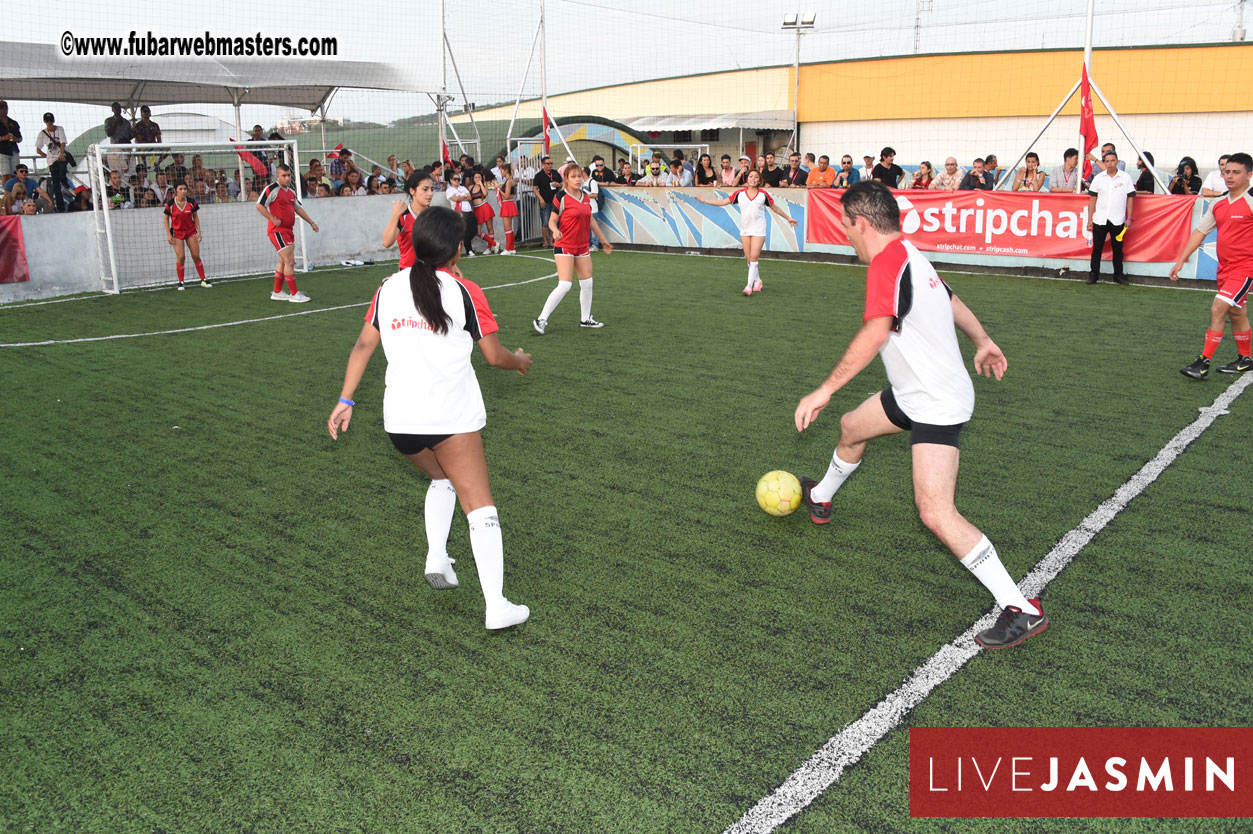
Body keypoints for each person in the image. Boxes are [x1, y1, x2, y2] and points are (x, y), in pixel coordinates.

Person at [793, 180, 1045, 650]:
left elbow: (875, 331)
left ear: (862, 223)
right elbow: (949, 300)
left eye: (847, 226)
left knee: (935, 512)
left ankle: (1021, 608)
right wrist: (984, 340)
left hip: (936, 403)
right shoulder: (910, 253)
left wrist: (824, 388)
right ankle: (822, 497)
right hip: (913, 394)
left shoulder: (888, 264)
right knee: (851, 427)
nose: (846, 234)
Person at [328, 207, 533, 630]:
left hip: (399, 423)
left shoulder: (387, 287)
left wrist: (345, 400)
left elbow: (364, 345)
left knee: (442, 479)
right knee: (481, 508)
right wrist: (521, 362)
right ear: (458, 247)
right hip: (449, 417)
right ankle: (497, 607)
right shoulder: (465, 290)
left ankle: (438, 556)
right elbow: (494, 357)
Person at [1172, 152, 1253, 378]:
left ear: (1249, 175)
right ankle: (1246, 359)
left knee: (1218, 308)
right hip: (1224, 269)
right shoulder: (1218, 203)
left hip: (1245, 268)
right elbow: (1200, 232)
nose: (1229, 176)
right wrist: (1181, 260)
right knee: (1237, 313)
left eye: (1236, 172)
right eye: (1226, 171)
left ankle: (1203, 363)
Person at [532, 164, 614, 334]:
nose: (578, 180)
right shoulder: (561, 197)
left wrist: (603, 240)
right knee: (565, 284)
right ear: (566, 179)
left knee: (587, 283)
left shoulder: (585, 196)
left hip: (582, 246)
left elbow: (590, 220)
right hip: (565, 246)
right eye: (574, 177)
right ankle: (541, 319)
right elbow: (551, 221)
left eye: (579, 176)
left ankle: (585, 319)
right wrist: (555, 231)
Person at [694, 169, 797, 296]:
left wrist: (788, 218)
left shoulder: (763, 195)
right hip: (745, 230)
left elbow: (775, 207)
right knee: (749, 260)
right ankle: (758, 281)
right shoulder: (739, 194)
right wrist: (705, 201)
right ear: (747, 179)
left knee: (754, 258)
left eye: (756, 177)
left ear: (759, 180)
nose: (753, 179)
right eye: (751, 177)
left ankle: (749, 286)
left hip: (759, 230)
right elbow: (723, 202)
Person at [256, 164, 319, 303]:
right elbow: (259, 205)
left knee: (283, 261)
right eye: (284, 176)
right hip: (277, 231)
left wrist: (311, 222)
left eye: (289, 175)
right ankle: (294, 294)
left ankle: (277, 292)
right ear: (277, 176)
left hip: (288, 230)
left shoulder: (291, 192)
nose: (287, 178)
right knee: (290, 261)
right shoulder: (271, 189)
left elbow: (298, 208)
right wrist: (272, 218)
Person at [1086, 150, 1136, 285]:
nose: (1109, 164)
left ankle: (1118, 275)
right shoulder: (1098, 178)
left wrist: (1129, 218)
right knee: (1097, 249)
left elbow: (1130, 198)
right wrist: (1090, 219)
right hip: (1100, 219)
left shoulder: (1125, 178)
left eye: (1112, 160)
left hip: (1118, 219)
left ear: (1117, 161)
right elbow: (1092, 200)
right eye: (1106, 161)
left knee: (1118, 249)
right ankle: (1093, 274)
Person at [383, 171, 435, 270]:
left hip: (431, 271)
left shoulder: (434, 215)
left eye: (432, 189)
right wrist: (395, 215)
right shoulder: (403, 216)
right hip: (407, 273)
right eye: (425, 189)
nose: (430, 193)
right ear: (412, 191)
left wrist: (453, 266)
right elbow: (386, 242)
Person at [164, 182, 210, 290]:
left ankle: (203, 279)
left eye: (185, 189)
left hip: (190, 231)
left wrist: (198, 231)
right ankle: (181, 282)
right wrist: (168, 234)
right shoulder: (170, 204)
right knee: (181, 257)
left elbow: (196, 217)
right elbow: (166, 219)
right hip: (177, 232)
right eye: (181, 189)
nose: (183, 191)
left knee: (196, 255)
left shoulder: (191, 202)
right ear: (176, 191)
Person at [34, 112, 69, 213]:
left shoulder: (59, 129)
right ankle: (60, 206)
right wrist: (46, 156)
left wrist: (61, 153)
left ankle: (64, 180)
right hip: (51, 161)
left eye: (51, 121)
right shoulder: (42, 133)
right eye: (48, 121)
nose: (50, 123)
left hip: (60, 157)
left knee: (62, 174)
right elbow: (38, 149)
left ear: (53, 121)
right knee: (56, 185)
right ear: (45, 122)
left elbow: (63, 142)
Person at [445, 171, 475, 257]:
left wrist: (462, 197)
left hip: (469, 211)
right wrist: (464, 196)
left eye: (458, 179)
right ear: (451, 180)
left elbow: (469, 197)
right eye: (455, 179)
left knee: (473, 230)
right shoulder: (449, 190)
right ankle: (469, 249)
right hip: (459, 212)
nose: (457, 181)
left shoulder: (463, 188)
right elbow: (456, 199)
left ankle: (464, 246)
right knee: (464, 231)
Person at [469, 170, 499, 254]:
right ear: (473, 178)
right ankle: (495, 243)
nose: (477, 179)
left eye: (479, 177)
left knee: (490, 228)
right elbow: (470, 199)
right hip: (476, 209)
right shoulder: (470, 187)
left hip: (484, 207)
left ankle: (489, 249)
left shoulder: (484, 186)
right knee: (477, 231)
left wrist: (481, 184)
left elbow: (485, 193)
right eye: (476, 177)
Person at [532, 156, 558, 247]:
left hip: (555, 202)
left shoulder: (555, 173)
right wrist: (541, 199)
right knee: (545, 222)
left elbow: (562, 183)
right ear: (543, 165)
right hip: (545, 202)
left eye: (551, 163)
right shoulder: (539, 175)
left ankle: (551, 240)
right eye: (548, 163)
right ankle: (545, 241)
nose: (550, 165)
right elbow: (535, 188)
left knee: (553, 222)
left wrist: (558, 184)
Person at [104, 101, 133, 174]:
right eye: (115, 108)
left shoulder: (126, 122)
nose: (117, 110)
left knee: (128, 170)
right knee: (118, 171)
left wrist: (134, 133)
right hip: (116, 150)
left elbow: (130, 136)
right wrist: (116, 122)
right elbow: (108, 133)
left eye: (119, 108)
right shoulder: (109, 121)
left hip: (127, 148)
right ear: (112, 110)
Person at [496, 163, 519, 255]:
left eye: (501, 171)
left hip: (507, 204)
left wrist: (498, 189)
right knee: (509, 228)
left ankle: (507, 249)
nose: (501, 172)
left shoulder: (509, 181)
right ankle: (512, 248)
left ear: (506, 171)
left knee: (507, 228)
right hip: (508, 204)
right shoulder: (510, 181)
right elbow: (511, 194)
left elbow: (506, 196)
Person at [0, 101, 21, 181]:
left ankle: (14, 192)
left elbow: (20, 138)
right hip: (2, 151)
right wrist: (3, 138)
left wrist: (16, 139)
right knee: (5, 175)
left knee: (15, 174)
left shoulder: (13, 123)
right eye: (1, 108)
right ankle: (7, 193)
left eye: (4, 108)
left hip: (14, 150)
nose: (3, 110)